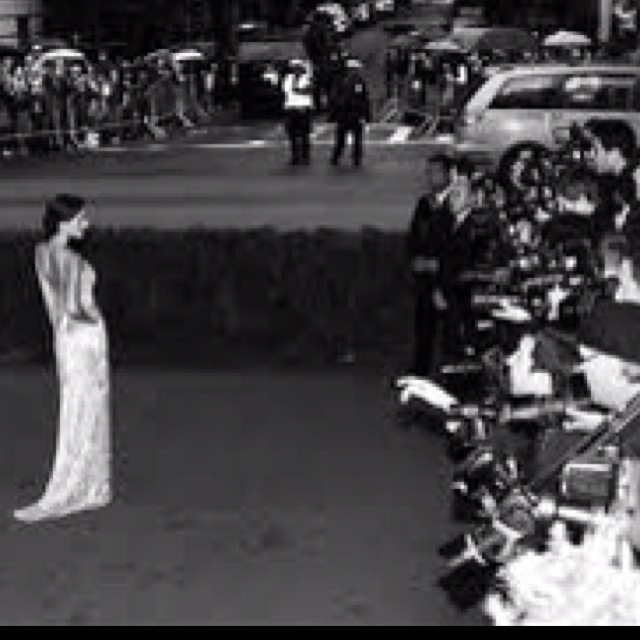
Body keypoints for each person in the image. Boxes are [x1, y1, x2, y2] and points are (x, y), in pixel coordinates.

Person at [14, 195, 112, 524]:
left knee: (75, 408)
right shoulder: (72, 262)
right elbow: (76, 307)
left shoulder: (41, 252)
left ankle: (87, 484)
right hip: (86, 337)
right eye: (81, 218)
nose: (86, 223)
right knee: (89, 409)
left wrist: (62, 337)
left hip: (65, 339)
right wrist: (92, 326)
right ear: (64, 222)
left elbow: (53, 309)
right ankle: (87, 486)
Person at [406, 153, 458, 376]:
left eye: (436, 171)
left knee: (451, 330)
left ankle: (453, 373)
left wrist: (439, 264)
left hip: (449, 278)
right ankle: (420, 370)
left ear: (449, 174)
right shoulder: (424, 203)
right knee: (423, 327)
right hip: (425, 278)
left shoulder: (458, 203)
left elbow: (460, 244)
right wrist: (414, 258)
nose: (430, 177)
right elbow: (414, 236)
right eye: (429, 172)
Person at [329, 58, 372, 168]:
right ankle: (340, 158)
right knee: (344, 138)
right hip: (348, 113)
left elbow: (363, 98)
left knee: (351, 139)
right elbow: (363, 99)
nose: (355, 71)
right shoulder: (347, 80)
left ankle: (347, 158)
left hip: (351, 113)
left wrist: (366, 115)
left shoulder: (356, 81)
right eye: (354, 69)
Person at [282, 59, 315, 166]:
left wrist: (298, 90)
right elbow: (286, 91)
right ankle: (295, 157)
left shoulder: (307, 78)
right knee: (292, 134)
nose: (296, 69)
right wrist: (299, 90)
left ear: (301, 68)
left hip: (304, 109)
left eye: (298, 67)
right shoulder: (288, 78)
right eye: (294, 67)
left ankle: (305, 157)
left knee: (305, 134)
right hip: (291, 108)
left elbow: (309, 90)